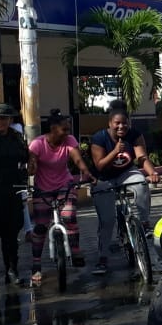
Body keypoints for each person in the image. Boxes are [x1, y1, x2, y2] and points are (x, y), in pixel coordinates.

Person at [89, 107, 161, 275]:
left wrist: (152, 172)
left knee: (141, 182)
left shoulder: (134, 134)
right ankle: (102, 258)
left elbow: (141, 157)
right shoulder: (99, 138)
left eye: (124, 123)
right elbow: (99, 165)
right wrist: (115, 151)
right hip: (104, 178)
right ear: (110, 124)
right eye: (117, 123)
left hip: (125, 173)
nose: (121, 126)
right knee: (107, 221)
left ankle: (144, 223)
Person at [28, 109, 94, 285]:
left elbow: (78, 160)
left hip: (65, 184)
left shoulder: (70, 141)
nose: (67, 132)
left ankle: (76, 250)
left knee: (69, 215)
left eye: (68, 129)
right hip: (42, 188)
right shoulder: (37, 144)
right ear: (53, 129)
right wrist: (31, 166)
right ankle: (36, 265)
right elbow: (32, 166)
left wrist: (86, 173)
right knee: (40, 227)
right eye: (64, 129)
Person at [0, 103, 29, 286]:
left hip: (12, 192)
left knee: (11, 236)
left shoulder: (16, 137)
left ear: (10, 120)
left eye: (2, 118)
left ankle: (12, 270)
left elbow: (25, 158)